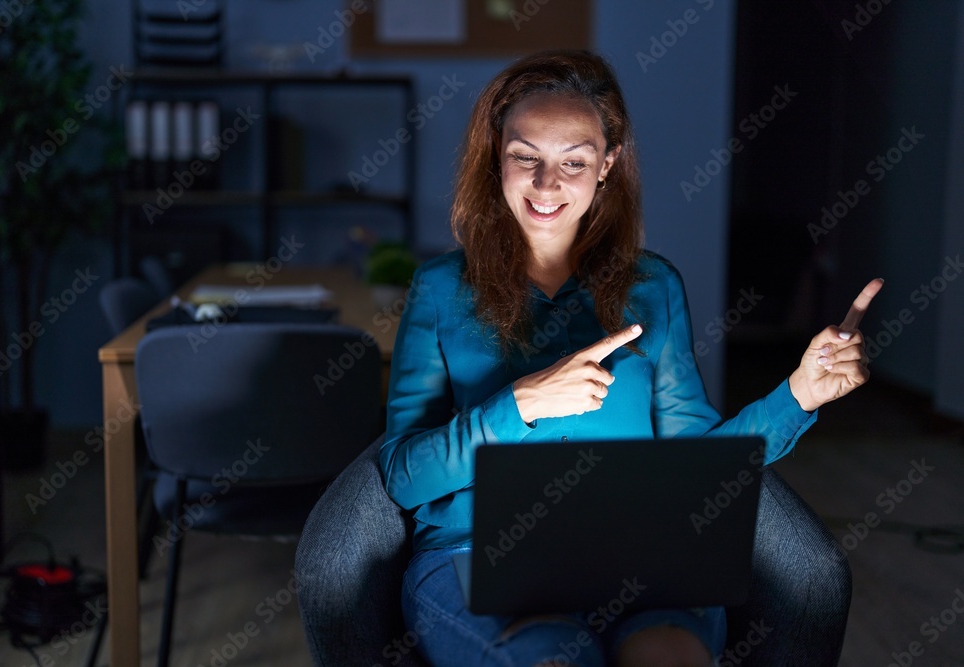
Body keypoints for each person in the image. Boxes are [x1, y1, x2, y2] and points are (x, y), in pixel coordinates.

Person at [378, 50, 882, 667]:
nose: (547, 184)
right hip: (476, 555)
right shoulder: (437, 289)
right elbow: (404, 476)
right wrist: (519, 405)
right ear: (495, 157)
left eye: (574, 162)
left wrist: (798, 394)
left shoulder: (654, 286)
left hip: (640, 557)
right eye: (525, 157)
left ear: (607, 166)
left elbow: (699, 466)